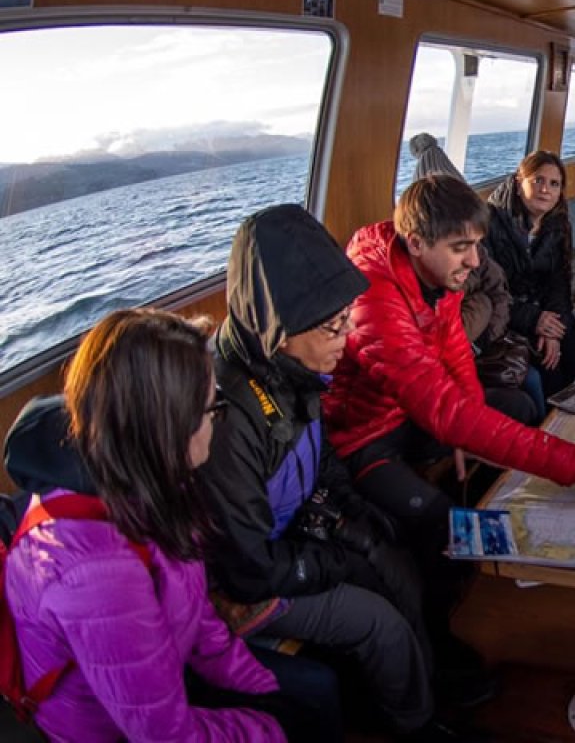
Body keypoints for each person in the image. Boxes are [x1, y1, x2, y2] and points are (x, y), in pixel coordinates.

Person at [198, 204, 488, 739]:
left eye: (347, 316)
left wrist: (355, 515)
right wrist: (337, 560)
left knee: (399, 563)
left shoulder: (291, 369)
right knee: (380, 625)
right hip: (248, 587)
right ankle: (415, 723)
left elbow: (322, 455)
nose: (347, 333)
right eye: (334, 325)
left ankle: (431, 677)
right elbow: (248, 569)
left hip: (292, 537)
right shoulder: (228, 421)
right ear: (278, 328)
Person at [3, 309, 334, 742]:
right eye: (211, 407)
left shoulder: (148, 477)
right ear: (168, 426)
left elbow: (191, 602)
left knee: (313, 691)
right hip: (113, 727)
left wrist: (257, 683)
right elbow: (164, 734)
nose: (218, 419)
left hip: (166, 662)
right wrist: (268, 729)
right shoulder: (99, 579)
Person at [324, 174, 575, 548]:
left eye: (477, 244)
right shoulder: (373, 299)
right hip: (367, 437)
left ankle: (507, 506)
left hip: (414, 414)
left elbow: (457, 354)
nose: (475, 260)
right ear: (415, 243)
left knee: (520, 405)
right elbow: (444, 410)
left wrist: (469, 431)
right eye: (461, 247)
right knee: (441, 520)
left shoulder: (436, 277)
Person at [409, 135, 544, 424]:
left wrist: (486, 337)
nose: (472, 259)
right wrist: (481, 308)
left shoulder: (476, 252)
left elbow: (499, 292)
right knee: (524, 394)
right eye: (460, 246)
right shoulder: (409, 286)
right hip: (456, 365)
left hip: (484, 342)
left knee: (535, 375)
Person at [485, 150, 575, 396]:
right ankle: (551, 417)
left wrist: (554, 328)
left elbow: (559, 282)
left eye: (554, 184)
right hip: (506, 317)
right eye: (537, 180)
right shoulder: (490, 222)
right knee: (548, 366)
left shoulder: (557, 223)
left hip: (544, 311)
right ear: (519, 183)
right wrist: (534, 320)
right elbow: (489, 293)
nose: (545, 190)